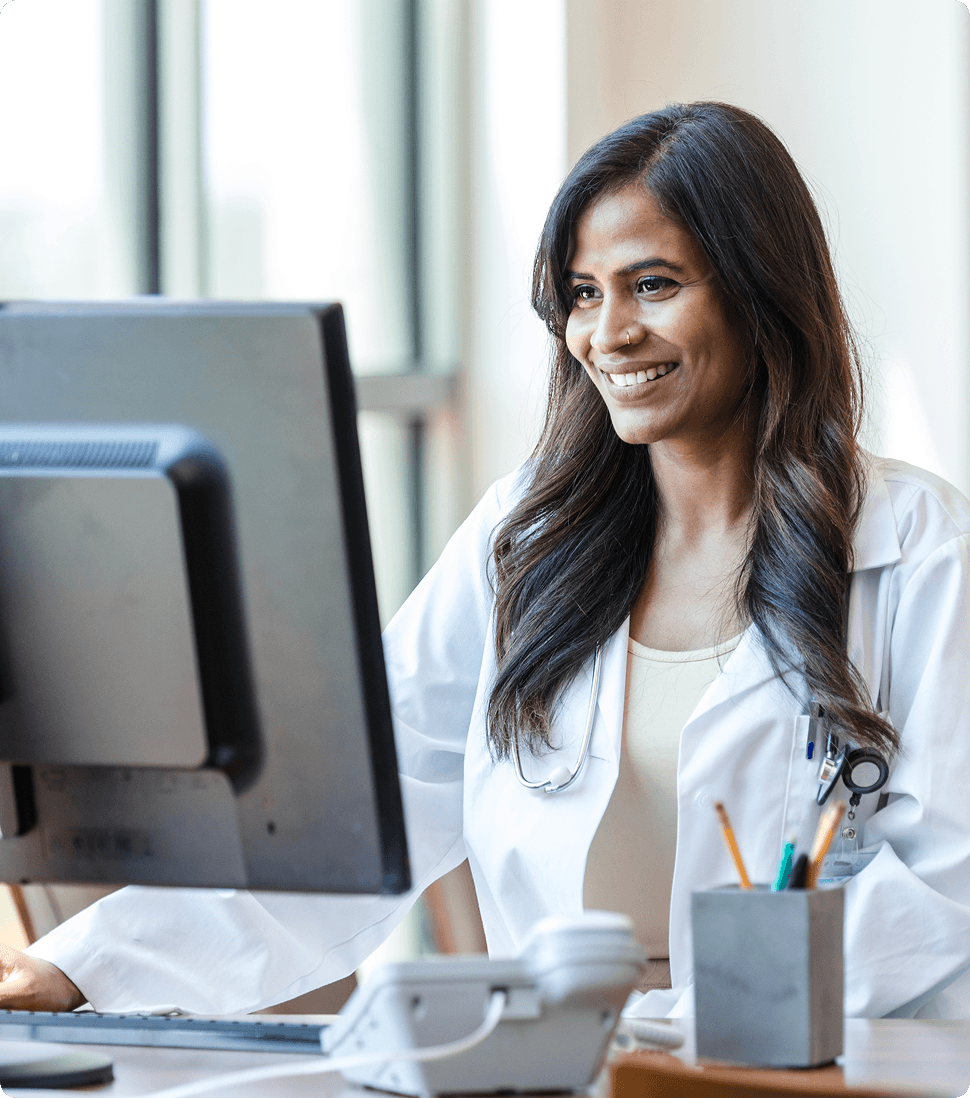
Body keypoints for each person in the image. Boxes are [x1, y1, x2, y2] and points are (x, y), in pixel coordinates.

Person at [2, 101, 970, 1020]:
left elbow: (946, 882)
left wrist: (718, 1016)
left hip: (810, 1064)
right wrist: (82, 965)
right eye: (582, 295)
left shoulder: (913, 545)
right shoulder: (526, 538)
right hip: (560, 1062)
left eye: (654, 284)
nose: (608, 334)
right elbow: (349, 829)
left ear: (760, 292)